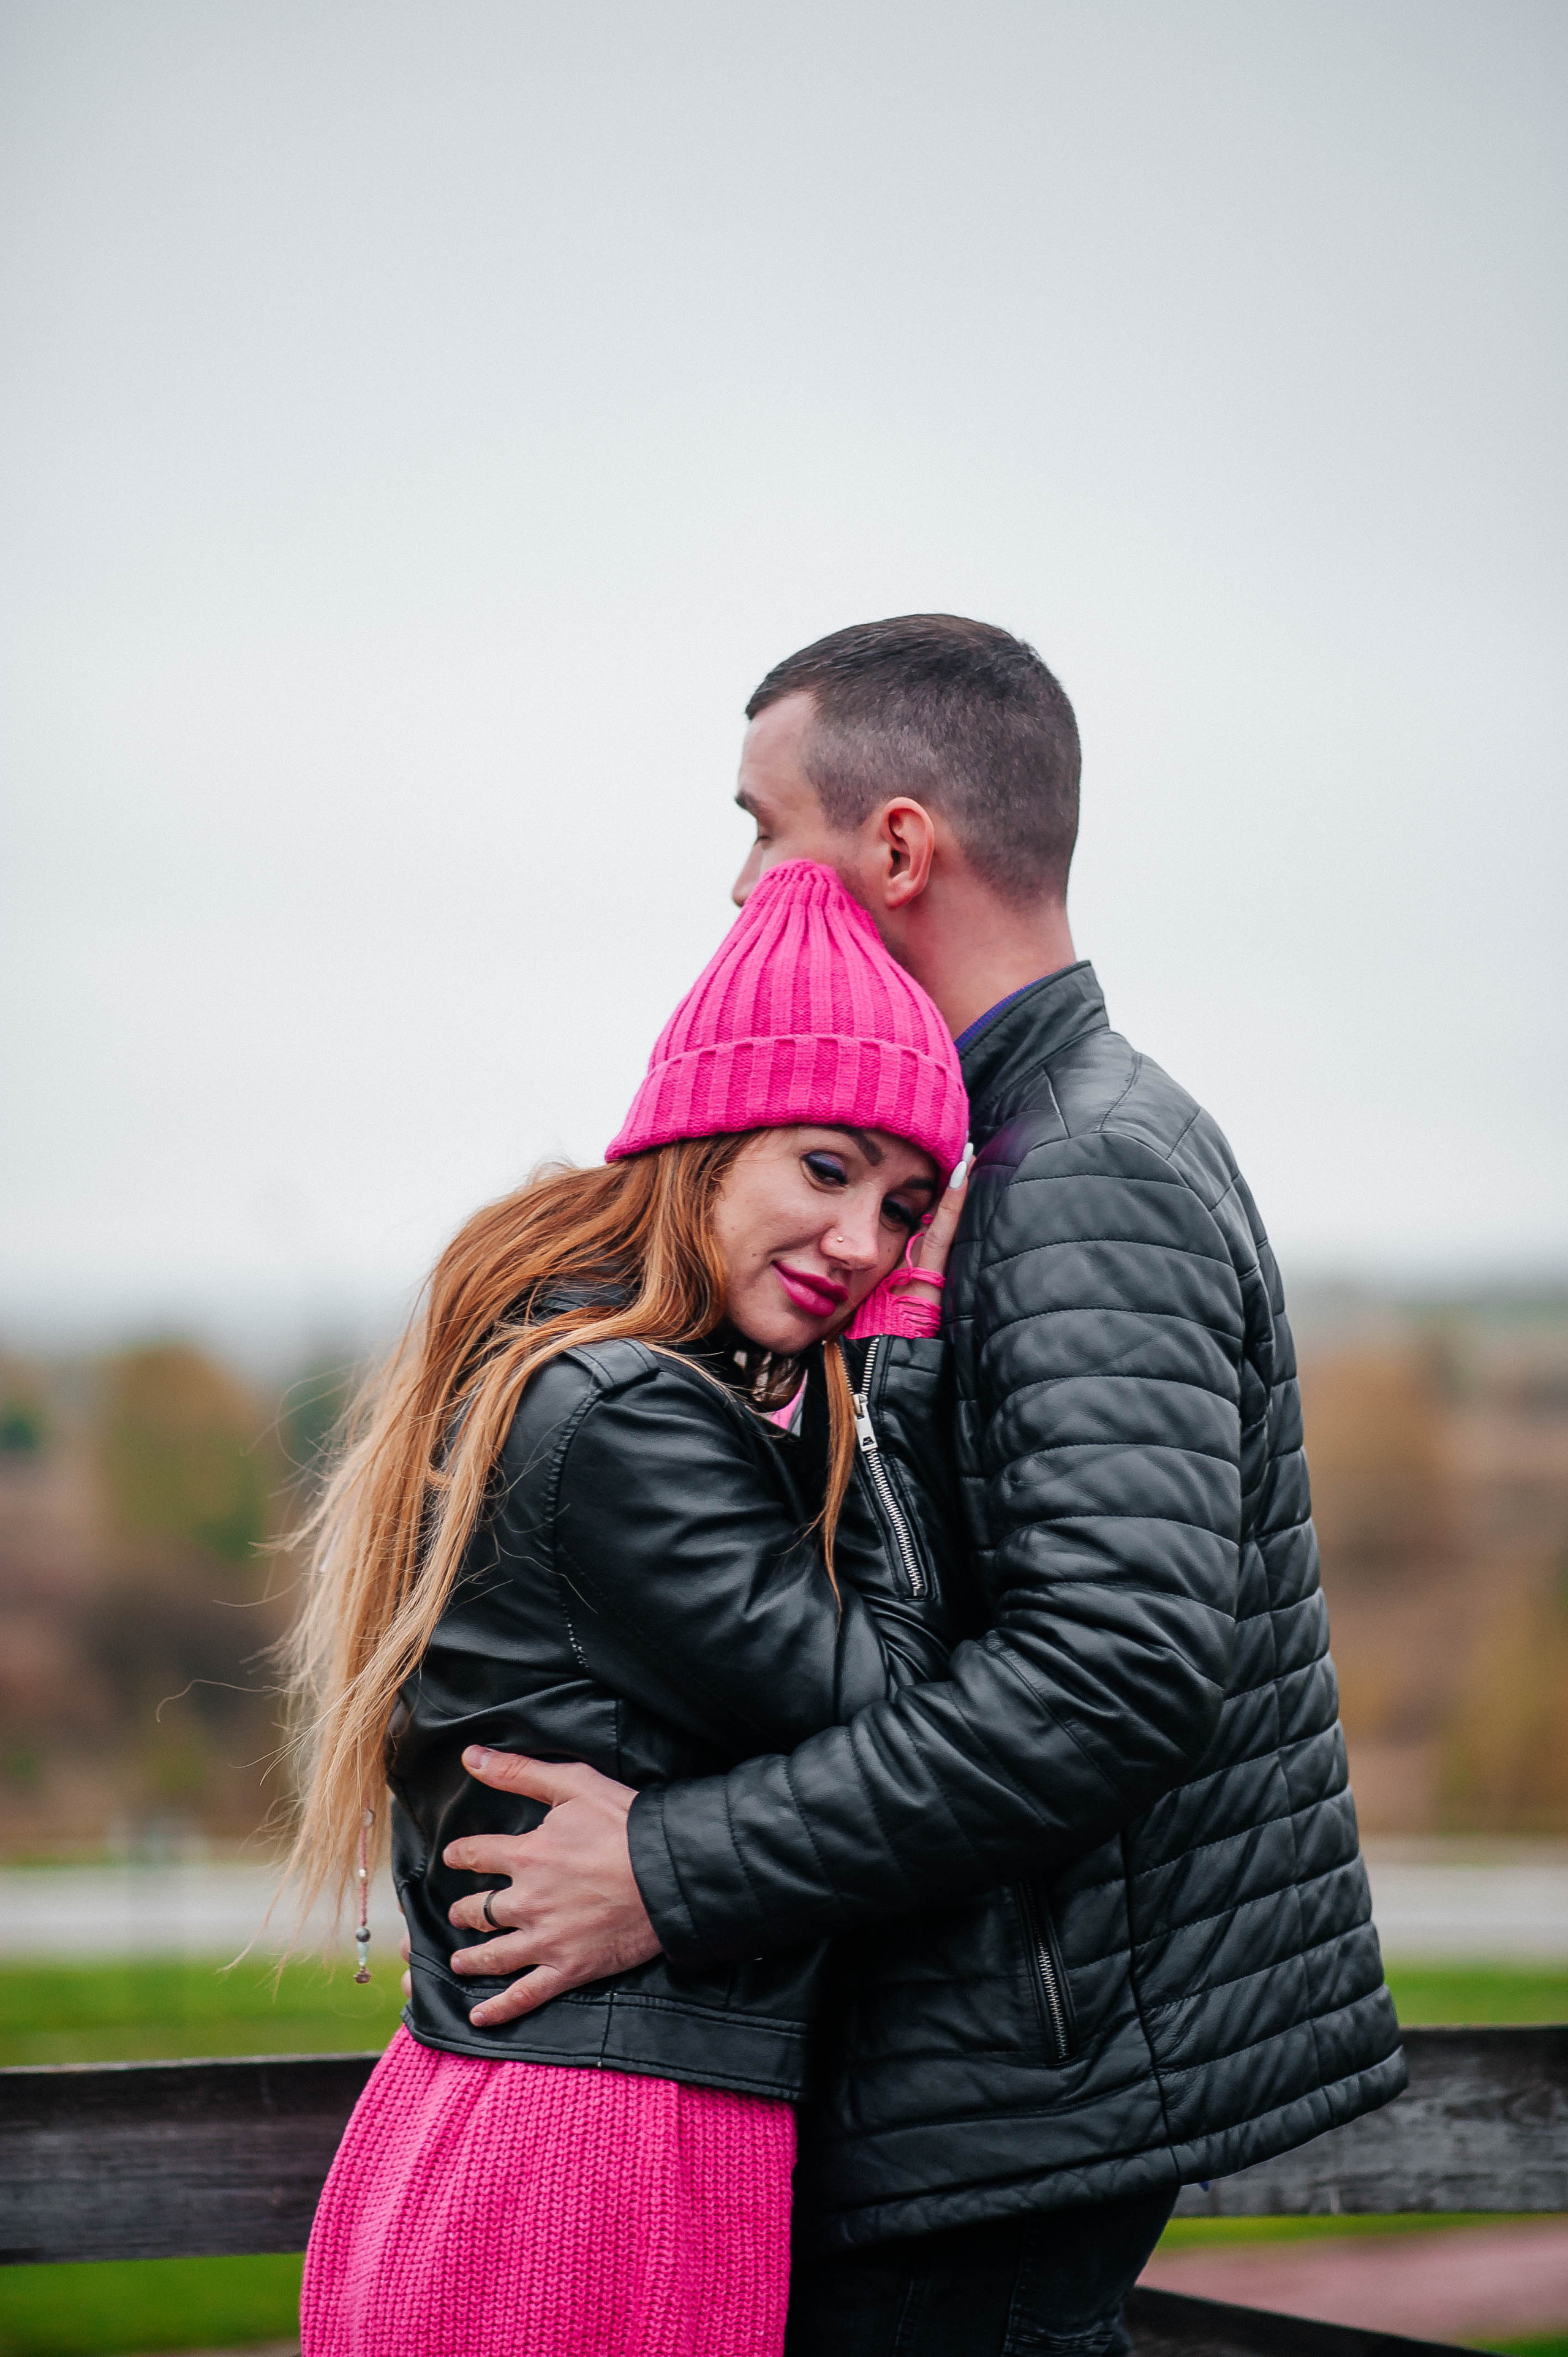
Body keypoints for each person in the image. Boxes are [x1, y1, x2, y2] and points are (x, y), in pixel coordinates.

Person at [442, 616, 1407, 2356]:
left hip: (1022, 2083)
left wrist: (667, 1868)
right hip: (999, 2067)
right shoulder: (996, 1155)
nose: (741, 887)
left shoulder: (1079, 1166)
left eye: (762, 827)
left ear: (895, 847)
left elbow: (1111, 1674)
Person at [284, 857, 974, 2357]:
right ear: (704, 1139)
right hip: (597, 2151)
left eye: (905, 1208)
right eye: (826, 1168)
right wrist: (902, 1366)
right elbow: (906, 1721)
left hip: (555, 2118)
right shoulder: (623, 1416)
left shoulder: (579, 1371)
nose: (864, 1245)